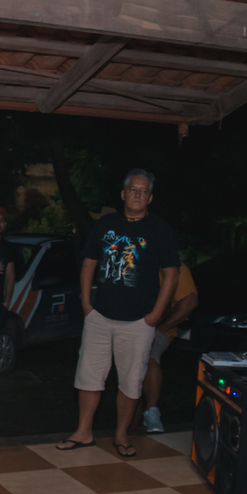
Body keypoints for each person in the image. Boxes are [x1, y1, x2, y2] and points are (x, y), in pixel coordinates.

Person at [56, 169, 179, 457]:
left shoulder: (160, 229)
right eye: (133, 189)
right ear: (123, 194)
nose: (138, 195)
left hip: (138, 321)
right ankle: (83, 432)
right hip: (99, 316)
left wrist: (155, 315)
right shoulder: (105, 224)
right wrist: (87, 305)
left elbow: (172, 274)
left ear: (150, 198)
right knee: (88, 376)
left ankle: (122, 435)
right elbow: (89, 263)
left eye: (144, 191)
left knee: (131, 381)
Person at [142, 262, 198, 434]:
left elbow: (190, 300)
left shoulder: (175, 266)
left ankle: (152, 412)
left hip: (157, 327)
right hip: (128, 326)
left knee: (148, 357)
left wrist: (162, 327)